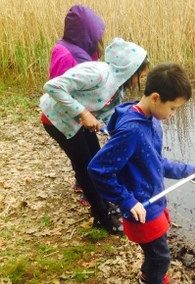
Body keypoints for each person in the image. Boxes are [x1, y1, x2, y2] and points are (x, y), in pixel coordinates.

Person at [88, 63, 195, 283]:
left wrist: (188, 170)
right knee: (160, 258)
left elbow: (155, 161)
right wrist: (127, 201)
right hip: (142, 208)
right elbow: (98, 170)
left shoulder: (151, 120)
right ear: (155, 98)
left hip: (153, 200)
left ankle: (149, 276)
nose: (173, 115)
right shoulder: (132, 130)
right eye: (173, 108)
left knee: (156, 255)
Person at [39, 37, 150, 234]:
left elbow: (109, 118)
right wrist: (83, 113)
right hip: (57, 121)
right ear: (129, 69)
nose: (140, 78)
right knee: (85, 167)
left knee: (97, 161)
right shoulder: (97, 73)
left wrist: (128, 138)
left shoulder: (117, 90)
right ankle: (102, 216)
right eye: (140, 73)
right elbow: (52, 87)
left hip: (79, 122)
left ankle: (107, 201)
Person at [40, 4, 105, 202]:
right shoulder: (65, 54)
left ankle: (84, 183)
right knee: (84, 158)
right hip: (60, 119)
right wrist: (84, 114)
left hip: (79, 116)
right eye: (95, 34)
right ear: (84, 33)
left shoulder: (86, 50)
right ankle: (92, 196)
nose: (98, 38)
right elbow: (57, 93)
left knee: (91, 152)